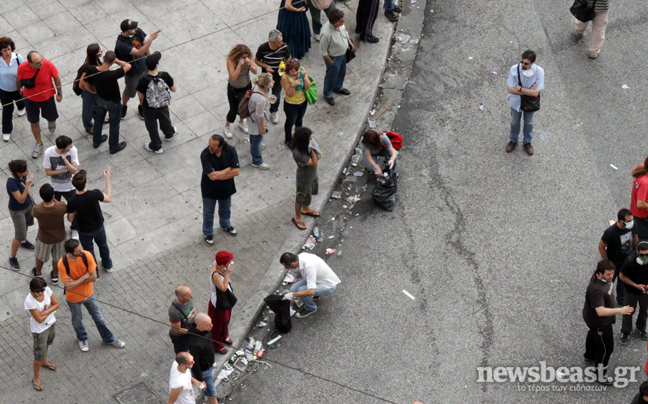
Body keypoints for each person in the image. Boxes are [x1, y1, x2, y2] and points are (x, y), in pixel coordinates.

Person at [58, 239, 125, 352]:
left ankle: (109, 339)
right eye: (78, 251)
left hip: (89, 294)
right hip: (73, 298)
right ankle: (82, 338)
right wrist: (84, 277)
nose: (81, 251)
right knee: (77, 321)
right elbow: (68, 287)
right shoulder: (62, 263)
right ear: (70, 252)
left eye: (80, 248)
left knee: (99, 319)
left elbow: (93, 277)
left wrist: (75, 282)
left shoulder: (87, 255)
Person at [583, 260, 634, 385]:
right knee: (606, 348)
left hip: (594, 320)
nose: (612, 277)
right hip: (600, 322)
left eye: (613, 273)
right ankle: (600, 375)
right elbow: (600, 311)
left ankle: (589, 355)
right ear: (599, 273)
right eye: (608, 275)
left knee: (593, 334)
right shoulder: (596, 289)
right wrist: (620, 310)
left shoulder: (601, 277)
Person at [67, 169, 114, 273]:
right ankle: (108, 266)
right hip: (98, 226)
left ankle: (95, 273)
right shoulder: (95, 193)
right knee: (103, 245)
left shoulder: (72, 201)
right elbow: (109, 198)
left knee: (89, 252)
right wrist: (107, 180)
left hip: (84, 230)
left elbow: (70, 219)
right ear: (86, 183)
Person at [16, 51, 62, 159]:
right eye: (38, 63)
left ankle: (51, 122)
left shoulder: (48, 65)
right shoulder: (22, 68)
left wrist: (59, 93)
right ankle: (39, 143)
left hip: (48, 98)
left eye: (41, 60)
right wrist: (19, 89)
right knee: (34, 123)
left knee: (51, 118)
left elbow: (56, 78)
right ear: (30, 63)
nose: (41, 63)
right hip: (30, 100)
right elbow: (19, 80)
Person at [84, 51, 130, 154]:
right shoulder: (113, 74)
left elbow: (85, 81)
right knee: (114, 124)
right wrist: (117, 61)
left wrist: (91, 90)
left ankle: (96, 141)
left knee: (98, 121)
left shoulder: (92, 69)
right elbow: (128, 65)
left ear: (103, 57)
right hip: (113, 103)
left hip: (99, 99)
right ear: (113, 62)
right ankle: (113, 147)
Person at [114, 19, 160, 120]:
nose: (135, 29)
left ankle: (141, 106)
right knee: (129, 92)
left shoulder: (137, 31)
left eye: (135, 27)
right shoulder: (121, 44)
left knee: (144, 90)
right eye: (132, 28)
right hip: (132, 72)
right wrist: (150, 40)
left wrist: (150, 59)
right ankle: (124, 105)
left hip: (144, 67)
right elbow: (139, 52)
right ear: (126, 32)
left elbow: (144, 46)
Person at [201, 134, 240, 246]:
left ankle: (225, 225)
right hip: (209, 189)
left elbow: (236, 172)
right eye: (209, 145)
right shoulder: (205, 154)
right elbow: (212, 177)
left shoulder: (231, 150)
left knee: (225, 209)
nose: (209, 148)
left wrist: (218, 174)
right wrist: (228, 169)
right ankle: (208, 232)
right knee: (208, 213)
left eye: (212, 147)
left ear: (220, 146)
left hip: (226, 188)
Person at [505, 50, 544, 156]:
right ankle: (513, 140)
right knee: (514, 122)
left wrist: (520, 88)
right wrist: (528, 91)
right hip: (516, 102)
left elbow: (535, 93)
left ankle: (527, 142)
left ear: (533, 62)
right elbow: (510, 89)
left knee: (529, 123)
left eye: (526, 63)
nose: (523, 65)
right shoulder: (514, 69)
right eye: (522, 62)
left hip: (529, 104)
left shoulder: (539, 72)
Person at [137, 52, 177, 154]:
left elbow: (140, 96)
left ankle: (156, 146)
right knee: (165, 119)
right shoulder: (165, 75)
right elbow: (174, 89)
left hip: (149, 107)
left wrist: (142, 103)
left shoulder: (143, 80)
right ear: (157, 65)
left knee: (152, 126)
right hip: (163, 105)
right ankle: (169, 133)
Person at [279, 252, 341, 318]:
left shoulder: (309, 266)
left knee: (301, 290)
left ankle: (311, 308)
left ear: (292, 264)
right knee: (293, 289)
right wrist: (294, 293)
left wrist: (293, 295)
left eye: (287, 267)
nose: (288, 269)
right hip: (318, 279)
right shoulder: (301, 256)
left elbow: (310, 291)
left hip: (328, 286)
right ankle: (315, 295)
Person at [24, 277, 59, 392]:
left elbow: (56, 304)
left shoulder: (46, 289)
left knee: (48, 344)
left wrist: (44, 312)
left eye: (42, 291)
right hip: (40, 330)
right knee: (38, 354)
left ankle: (44, 361)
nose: (40, 293)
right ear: (32, 290)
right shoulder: (29, 301)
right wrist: (50, 310)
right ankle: (36, 377)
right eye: (38, 292)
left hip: (50, 323)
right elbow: (38, 319)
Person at [43, 135, 79, 238]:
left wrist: (65, 160)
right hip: (55, 187)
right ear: (62, 148)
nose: (71, 147)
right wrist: (65, 169)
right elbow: (48, 172)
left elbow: (74, 170)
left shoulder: (73, 150)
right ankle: (58, 229)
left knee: (74, 208)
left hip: (70, 186)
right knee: (55, 211)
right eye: (69, 146)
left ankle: (75, 228)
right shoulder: (48, 153)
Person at [599, 208, 637, 306]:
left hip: (627, 260)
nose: (631, 223)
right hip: (614, 263)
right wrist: (607, 263)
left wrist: (636, 252)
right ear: (621, 221)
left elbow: (635, 237)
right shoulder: (610, 232)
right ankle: (605, 301)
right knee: (608, 283)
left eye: (632, 220)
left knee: (623, 281)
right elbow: (601, 247)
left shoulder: (633, 225)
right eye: (628, 221)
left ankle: (621, 299)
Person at [255, 30, 291, 125]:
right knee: (262, 94)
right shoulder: (263, 48)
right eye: (279, 41)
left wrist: (285, 66)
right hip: (266, 76)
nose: (282, 43)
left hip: (278, 75)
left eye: (281, 40)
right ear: (272, 42)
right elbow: (257, 60)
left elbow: (289, 57)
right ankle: (261, 110)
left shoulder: (284, 47)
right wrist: (266, 66)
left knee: (276, 94)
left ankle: (274, 111)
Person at [32, 184, 67, 282]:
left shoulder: (37, 209)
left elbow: (34, 213)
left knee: (40, 256)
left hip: (44, 238)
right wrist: (54, 199)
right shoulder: (62, 206)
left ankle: (38, 273)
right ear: (53, 195)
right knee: (57, 257)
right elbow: (61, 205)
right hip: (60, 237)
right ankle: (55, 275)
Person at [320, 9, 353, 106]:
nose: (344, 22)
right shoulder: (326, 33)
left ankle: (338, 87)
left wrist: (349, 42)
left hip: (342, 54)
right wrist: (331, 63)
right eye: (342, 21)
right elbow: (323, 51)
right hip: (333, 58)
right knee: (331, 76)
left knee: (342, 72)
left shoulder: (341, 24)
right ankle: (328, 94)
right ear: (335, 23)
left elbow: (345, 33)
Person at [6, 159, 35, 270]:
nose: (28, 171)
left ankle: (23, 241)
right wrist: (27, 186)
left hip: (28, 206)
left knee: (27, 224)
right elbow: (20, 200)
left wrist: (28, 189)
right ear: (18, 173)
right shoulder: (11, 182)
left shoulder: (22, 177)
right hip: (17, 210)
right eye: (25, 170)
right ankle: (12, 257)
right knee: (19, 235)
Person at [224, 44, 257, 139]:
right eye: (243, 57)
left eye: (246, 56)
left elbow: (255, 71)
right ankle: (227, 126)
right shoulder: (231, 61)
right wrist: (239, 65)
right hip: (234, 89)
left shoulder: (248, 59)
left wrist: (249, 65)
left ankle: (241, 123)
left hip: (246, 87)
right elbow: (233, 77)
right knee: (233, 109)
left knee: (244, 107)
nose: (245, 58)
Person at [291, 127, 320, 230]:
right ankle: (297, 216)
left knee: (308, 194)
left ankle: (306, 208)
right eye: (309, 137)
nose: (311, 138)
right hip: (304, 178)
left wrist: (314, 149)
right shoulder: (298, 153)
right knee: (301, 197)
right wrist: (313, 149)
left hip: (312, 174)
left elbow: (319, 155)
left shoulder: (308, 144)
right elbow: (314, 161)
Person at [619, 241, 648, 345]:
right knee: (628, 312)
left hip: (645, 293)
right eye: (642, 255)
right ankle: (626, 332)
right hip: (631, 292)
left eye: (647, 254)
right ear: (637, 252)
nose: (644, 257)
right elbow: (622, 276)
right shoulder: (630, 262)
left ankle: (641, 328)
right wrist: (636, 286)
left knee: (644, 311)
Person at [208, 251, 235, 355]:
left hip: (226, 300)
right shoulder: (215, 274)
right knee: (218, 325)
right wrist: (227, 273)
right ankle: (217, 345)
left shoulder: (219, 266)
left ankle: (224, 336)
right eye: (229, 262)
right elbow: (223, 288)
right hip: (219, 303)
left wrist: (226, 271)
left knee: (226, 321)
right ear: (224, 264)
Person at [188, 313, 219, 404]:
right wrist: (200, 380)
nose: (212, 326)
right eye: (208, 324)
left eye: (211, 323)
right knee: (212, 395)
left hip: (208, 365)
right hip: (204, 372)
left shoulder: (206, 330)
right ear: (199, 326)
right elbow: (194, 364)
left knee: (211, 394)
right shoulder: (195, 344)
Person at [0, 36, 26, 142]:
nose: (8, 52)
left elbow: (25, 72)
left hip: (17, 86)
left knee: (20, 99)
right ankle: (6, 131)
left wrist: (23, 86)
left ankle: (21, 107)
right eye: (5, 50)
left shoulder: (18, 58)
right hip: (4, 89)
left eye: (9, 49)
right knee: (7, 109)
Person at [281, 59, 311, 146]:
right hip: (291, 104)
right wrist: (293, 85)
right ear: (288, 70)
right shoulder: (285, 77)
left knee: (299, 120)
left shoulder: (302, 71)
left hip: (303, 102)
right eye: (293, 71)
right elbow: (290, 94)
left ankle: (298, 136)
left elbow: (308, 87)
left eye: (297, 70)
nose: (295, 73)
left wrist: (305, 77)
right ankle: (288, 139)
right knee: (290, 122)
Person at [248, 73, 273, 170]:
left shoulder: (256, 88)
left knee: (253, 136)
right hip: (256, 121)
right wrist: (262, 128)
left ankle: (253, 145)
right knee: (257, 140)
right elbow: (260, 115)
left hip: (251, 118)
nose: (273, 82)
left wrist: (268, 99)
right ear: (266, 86)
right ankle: (257, 161)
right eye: (271, 82)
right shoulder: (261, 99)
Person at [77, 44, 103, 136]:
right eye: (100, 51)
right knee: (88, 109)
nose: (101, 52)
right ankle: (88, 127)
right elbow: (81, 84)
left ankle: (99, 118)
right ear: (95, 54)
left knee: (97, 105)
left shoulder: (96, 60)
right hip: (88, 92)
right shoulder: (88, 68)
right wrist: (90, 91)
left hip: (96, 90)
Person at [169, 285, 197, 354]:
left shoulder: (189, 299)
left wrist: (197, 318)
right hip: (181, 337)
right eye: (188, 295)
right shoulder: (174, 312)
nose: (191, 296)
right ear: (181, 298)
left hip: (191, 329)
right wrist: (194, 331)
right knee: (182, 354)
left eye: (190, 293)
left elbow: (193, 306)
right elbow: (177, 330)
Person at [632, 158, 648, 241]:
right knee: (643, 239)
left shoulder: (640, 167)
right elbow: (640, 204)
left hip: (635, 210)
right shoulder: (645, 182)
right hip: (643, 216)